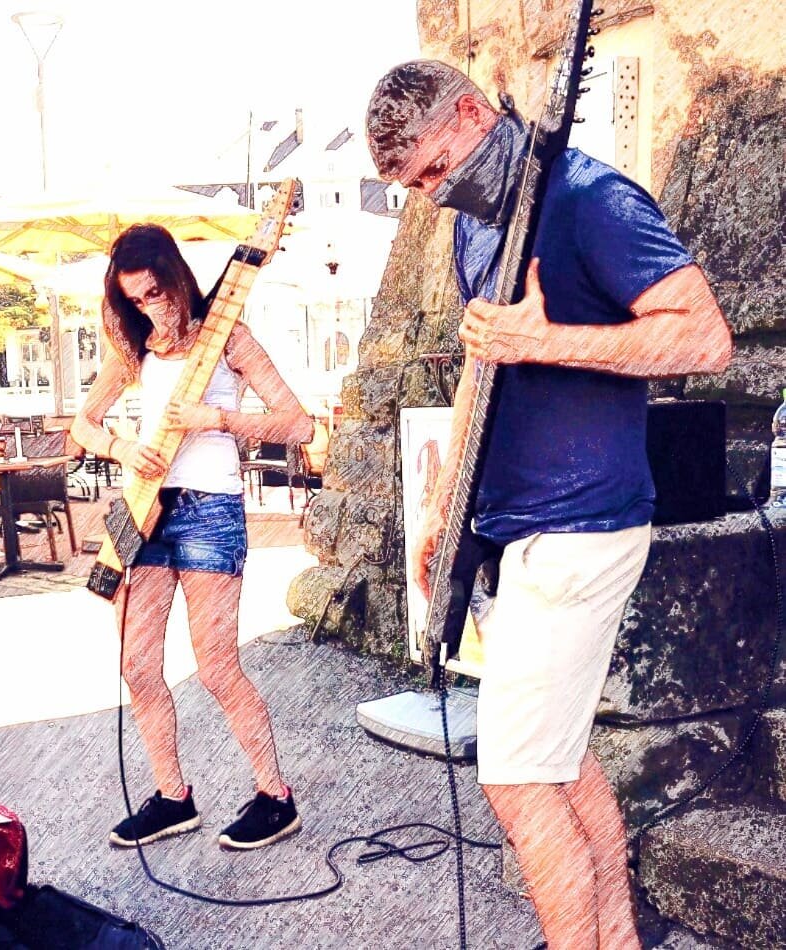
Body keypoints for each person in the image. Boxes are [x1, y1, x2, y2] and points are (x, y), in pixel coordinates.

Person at [366, 61, 732, 949]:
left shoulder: (589, 197)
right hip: (513, 531)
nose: (429, 194)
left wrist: (549, 339)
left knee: (516, 780)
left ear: (469, 111)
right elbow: (481, 371)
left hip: (580, 529)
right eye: (412, 185)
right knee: (556, 765)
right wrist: (446, 516)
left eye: (430, 169)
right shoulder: (474, 229)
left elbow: (704, 336)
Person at [71, 224, 313, 851]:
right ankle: (173, 796)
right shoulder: (134, 349)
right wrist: (122, 445)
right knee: (137, 665)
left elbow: (299, 424)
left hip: (209, 510)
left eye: (156, 292)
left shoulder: (226, 336)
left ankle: (274, 795)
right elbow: (82, 424)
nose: (150, 307)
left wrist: (219, 420)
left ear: (177, 277)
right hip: (141, 511)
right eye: (135, 300)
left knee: (216, 667)